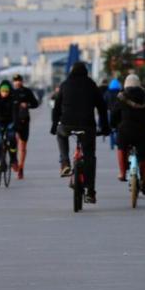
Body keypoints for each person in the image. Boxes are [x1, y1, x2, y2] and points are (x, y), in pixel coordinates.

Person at [50, 62, 110, 203]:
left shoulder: (65, 85)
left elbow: (56, 107)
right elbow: (102, 107)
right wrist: (105, 127)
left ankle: (65, 163)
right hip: (87, 126)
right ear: (86, 72)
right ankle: (90, 191)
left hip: (67, 124)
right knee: (90, 156)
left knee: (61, 134)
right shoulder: (91, 85)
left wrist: (54, 125)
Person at [110, 74, 145, 194]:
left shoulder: (121, 97)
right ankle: (144, 179)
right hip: (141, 131)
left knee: (121, 147)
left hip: (125, 131)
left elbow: (114, 115)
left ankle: (122, 173)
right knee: (143, 156)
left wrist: (114, 125)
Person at [11, 73, 40, 179]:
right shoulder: (10, 92)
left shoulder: (27, 92)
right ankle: (14, 161)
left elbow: (36, 104)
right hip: (12, 122)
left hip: (24, 121)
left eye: (19, 80)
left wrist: (27, 104)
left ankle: (21, 167)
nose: (17, 82)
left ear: (22, 81)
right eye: (15, 80)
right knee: (12, 142)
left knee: (22, 146)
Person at [104, 78, 122, 156]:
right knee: (118, 127)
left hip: (110, 111)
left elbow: (104, 102)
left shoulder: (107, 93)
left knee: (111, 127)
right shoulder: (120, 93)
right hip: (119, 112)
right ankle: (117, 141)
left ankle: (112, 144)